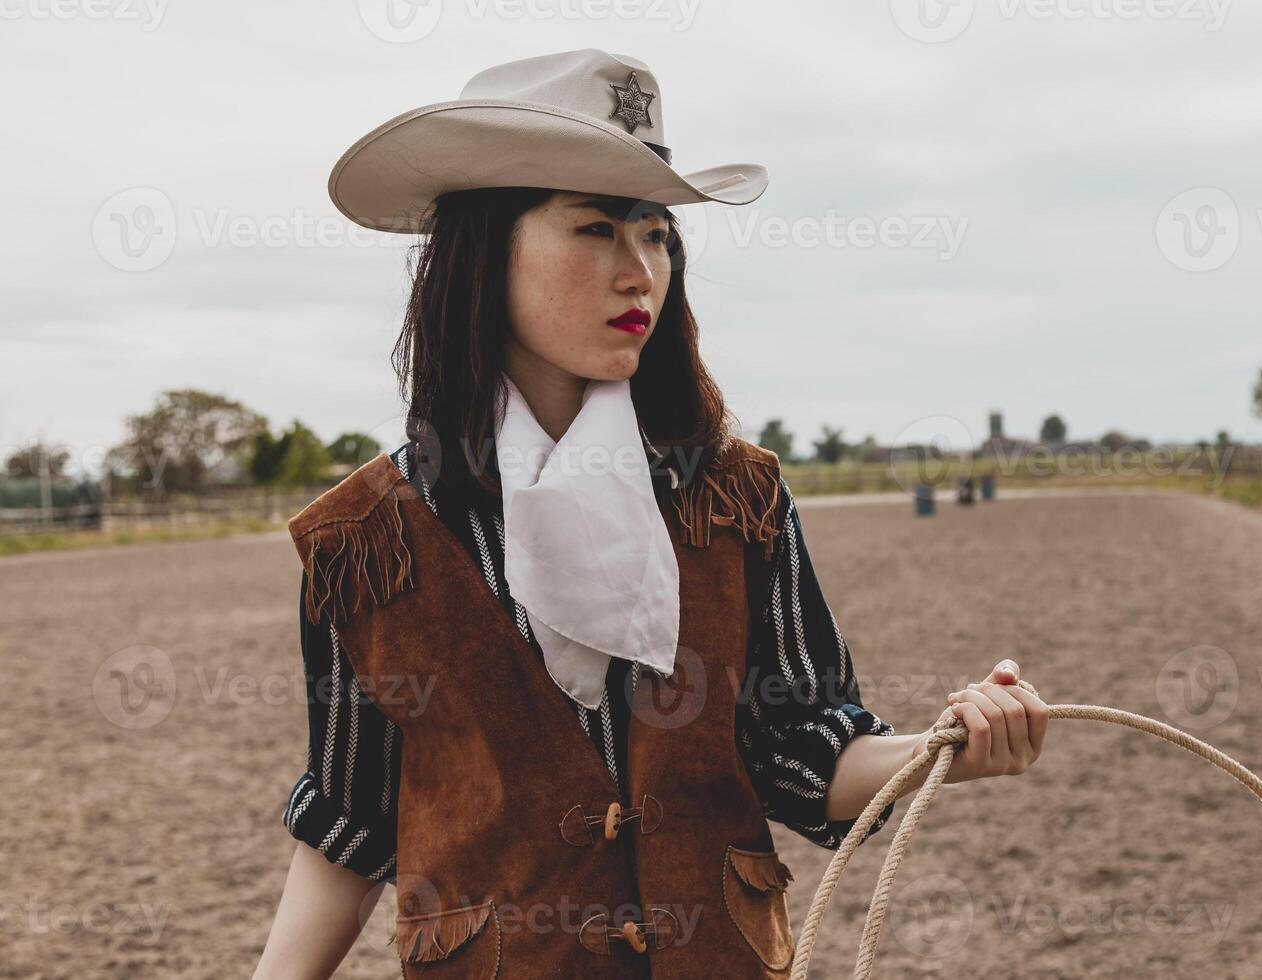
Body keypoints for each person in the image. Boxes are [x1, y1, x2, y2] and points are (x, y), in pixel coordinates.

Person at [251, 48, 1048, 980]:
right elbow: (349, 827)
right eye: (595, 229)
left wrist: (948, 747)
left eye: (658, 235)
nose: (641, 273)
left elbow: (800, 755)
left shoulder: (737, 499)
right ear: (483, 250)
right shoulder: (366, 545)